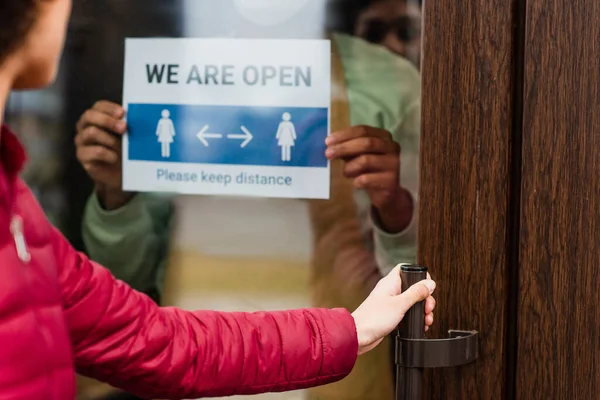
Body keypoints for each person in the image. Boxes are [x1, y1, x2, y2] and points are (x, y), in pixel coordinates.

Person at [0, 1, 436, 399]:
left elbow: (146, 333)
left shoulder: (390, 85)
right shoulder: (170, 76)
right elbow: (132, 306)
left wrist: (394, 210)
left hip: (327, 371)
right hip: (201, 363)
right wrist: (118, 191)